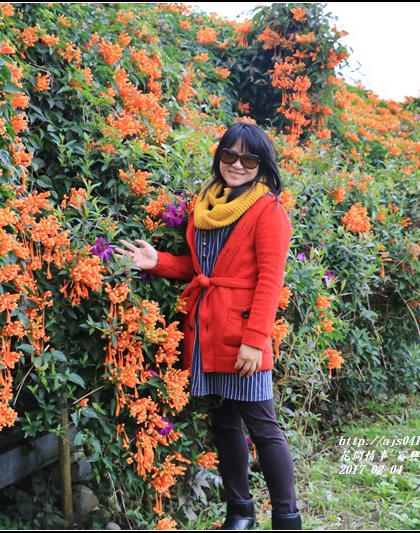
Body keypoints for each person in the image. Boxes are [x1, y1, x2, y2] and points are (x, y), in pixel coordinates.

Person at [115, 122, 301, 530]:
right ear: (220, 157)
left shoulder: (268, 210)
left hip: (242, 335)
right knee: (223, 421)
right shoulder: (205, 204)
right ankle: (241, 513)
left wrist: (255, 341)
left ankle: (287, 518)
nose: (237, 164)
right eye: (229, 155)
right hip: (205, 330)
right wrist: (157, 262)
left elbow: (270, 282)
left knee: (263, 425)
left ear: (261, 165)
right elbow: (202, 271)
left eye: (248, 158)